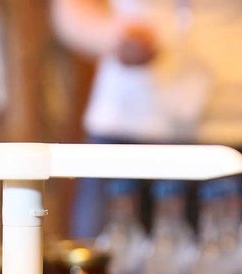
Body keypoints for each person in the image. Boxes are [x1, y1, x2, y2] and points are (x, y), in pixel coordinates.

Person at [50, 0, 242, 237]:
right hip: (126, 132)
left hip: (231, 131)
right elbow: (71, 11)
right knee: (104, 256)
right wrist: (112, 36)